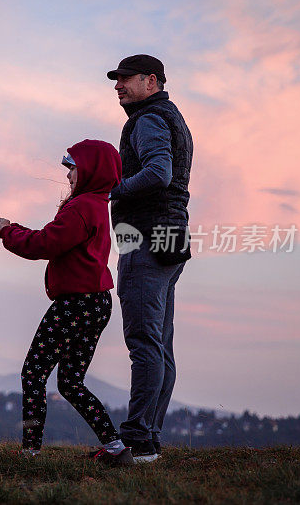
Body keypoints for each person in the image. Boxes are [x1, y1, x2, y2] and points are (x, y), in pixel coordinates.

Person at [0, 139, 132, 467]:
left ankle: (29, 452)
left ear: (92, 170)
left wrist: (7, 233)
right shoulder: (95, 204)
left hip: (75, 305)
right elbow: (50, 236)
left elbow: (44, 244)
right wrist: (11, 229)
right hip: (97, 302)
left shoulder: (81, 207)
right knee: (70, 382)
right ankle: (115, 447)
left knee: (33, 373)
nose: (68, 175)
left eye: (73, 168)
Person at [106, 54, 193, 462]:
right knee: (160, 345)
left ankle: (139, 440)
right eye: (116, 80)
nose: (118, 85)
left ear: (151, 81)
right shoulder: (171, 116)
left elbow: (159, 172)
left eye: (126, 78)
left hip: (144, 238)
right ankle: (150, 437)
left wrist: (114, 189)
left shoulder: (148, 120)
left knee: (144, 342)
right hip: (170, 237)